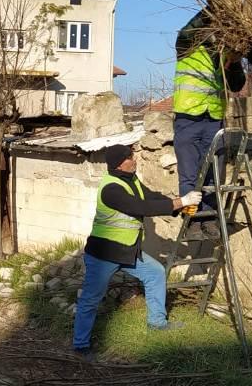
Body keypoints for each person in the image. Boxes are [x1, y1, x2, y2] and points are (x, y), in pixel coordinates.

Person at [72, 144, 202, 360]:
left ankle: (157, 323)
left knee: (155, 273)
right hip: (104, 254)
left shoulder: (131, 180)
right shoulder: (111, 189)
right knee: (91, 299)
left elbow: (150, 198)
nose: (136, 160)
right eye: (132, 157)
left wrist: (178, 205)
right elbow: (139, 208)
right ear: (121, 163)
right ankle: (80, 346)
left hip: (127, 250)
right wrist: (182, 201)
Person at [173, 8, 246, 235]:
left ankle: (211, 217)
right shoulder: (187, 48)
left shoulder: (225, 55)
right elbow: (188, 30)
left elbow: (236, 85)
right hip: (188, 118)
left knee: (214, 172)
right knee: (190, 173)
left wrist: (234, 62)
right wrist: (213, 8)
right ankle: (193, 220)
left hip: (214, 119)